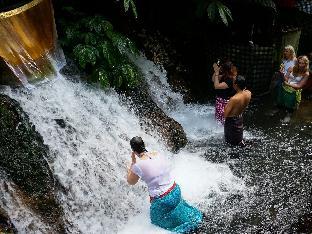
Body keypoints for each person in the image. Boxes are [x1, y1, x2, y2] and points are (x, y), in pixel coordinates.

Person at [127, 136, 203, 233]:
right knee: (178, 211)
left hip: (163, 200)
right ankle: (190, 220)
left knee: (156, 221)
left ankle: (185, 229)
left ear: (133, 150)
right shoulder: (156, 154)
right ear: (143, 145)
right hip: (176, 191)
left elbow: (131, 182)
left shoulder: (137, 166)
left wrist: (132, 163)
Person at [224, 75, 251, 146]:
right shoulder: (248, 93)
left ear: (235, 85)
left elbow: (225, 114)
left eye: (233, 82)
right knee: (238, 139)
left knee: (230, 143)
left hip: (231, 122)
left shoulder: (234, 99)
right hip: (239, 118)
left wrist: (226, 104)